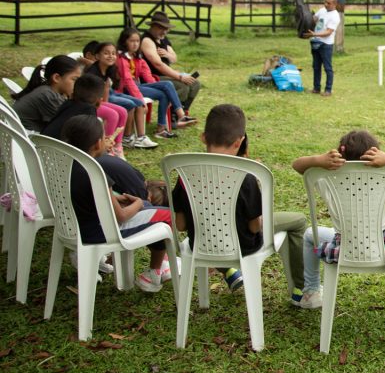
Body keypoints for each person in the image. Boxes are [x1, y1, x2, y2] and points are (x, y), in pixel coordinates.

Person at [171, 104, 307, 303]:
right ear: (239, 141)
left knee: (213, 230)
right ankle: (301, 290)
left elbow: (181, 225)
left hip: (200, 243)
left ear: (203, 137)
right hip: (244, 245)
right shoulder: (246, 175)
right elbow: (254, 227)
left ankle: (228, 271)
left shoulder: (185, 175)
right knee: (299, 221)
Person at [292, 130, 385, 311]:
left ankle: (311, 292)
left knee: (309, 235)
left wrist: (319, 160)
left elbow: (297, 164)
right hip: (383, 249)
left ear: (340, 154)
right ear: (376, 154)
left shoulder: (326, 180)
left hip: (342, 247)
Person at [62, 114, 173, 292]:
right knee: (167, 215)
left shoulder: (66, 164)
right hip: (99, 232)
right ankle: (154, 273)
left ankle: (161, 266)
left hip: (75, 226)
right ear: (98, 144)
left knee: (148, 209)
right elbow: (121, 217)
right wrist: (138, 203)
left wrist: (116, 199)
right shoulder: (95, 171)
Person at [116, 27, 198, 140]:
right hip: (125, 89)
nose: (135, 44)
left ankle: (161, 129)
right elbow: (128, 81)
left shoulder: (138, 58)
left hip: (138, 86)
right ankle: (181, 116)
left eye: (137, 41)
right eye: (131, 41)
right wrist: (140, 100)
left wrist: (157, 87)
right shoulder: (121, 58)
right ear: (124, 41)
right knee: (167, 85)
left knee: (164, 91)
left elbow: (148, 77)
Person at [88, 41, 156, 150]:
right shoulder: (93, 73)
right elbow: (102, 98)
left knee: (138, 102)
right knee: (129, 104)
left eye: (113, 53)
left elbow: (114, 87)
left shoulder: (111, 69)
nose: (111, 56)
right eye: (106, 53)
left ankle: (141, 137)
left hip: (111, 92)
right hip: (98, 97)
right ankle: (127, 137)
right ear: (97, 56)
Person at [140, 11, 201, 116]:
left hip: (166, 75)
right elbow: (158, 65)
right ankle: (173, 116)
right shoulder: (147, 40)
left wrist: (167, 55)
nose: (164, 32)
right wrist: (180, 77)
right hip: (153, 77)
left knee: (195, 84)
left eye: (166, 29)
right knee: (183, 86)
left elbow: (174, 58)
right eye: (161, 28)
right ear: (153, 26)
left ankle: (184, 111)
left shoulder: (163, 39)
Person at [12, 55, 81, 132]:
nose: (78, 84)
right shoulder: (48, 96)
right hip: (27, 139)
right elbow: (70, 125)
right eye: (74, 79)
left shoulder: (47, 89)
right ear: (56, 78)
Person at [302, 0, 340, 97]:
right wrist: (306, 19)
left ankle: (328, 90)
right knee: (316, 66)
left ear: (335, 4)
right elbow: (313, 19)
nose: (326, 4)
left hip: (326, 45)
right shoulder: (322, 10)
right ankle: (316, 88)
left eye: (329, 3)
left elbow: (328, 32)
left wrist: (314, 34)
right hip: (315, 42)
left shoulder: (335, 16)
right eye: (325, 2)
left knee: (327, 68)